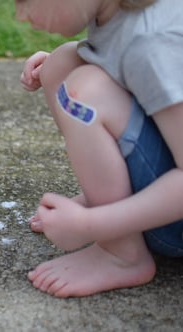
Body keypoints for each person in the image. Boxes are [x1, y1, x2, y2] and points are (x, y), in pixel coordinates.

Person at [17, 0, 183, 297]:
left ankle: (122, 255)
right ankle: (107, 201)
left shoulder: (153, 40)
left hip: (175, 226)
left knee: (83, 92)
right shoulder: (120, 14)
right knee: (64, 62)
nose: (22, 15)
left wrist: (90, 225)